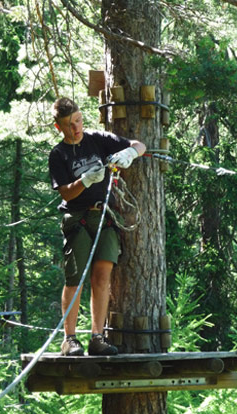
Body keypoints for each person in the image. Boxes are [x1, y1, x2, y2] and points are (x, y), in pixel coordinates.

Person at [48, 97, 146, 356]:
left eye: (78, 120)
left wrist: (130, 152)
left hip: (104, 216)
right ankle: (69, 339)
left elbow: (140, 144)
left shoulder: (97, 139)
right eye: (69, 125)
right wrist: (85, 181)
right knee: (76, 279)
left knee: (102, 277)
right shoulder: (58, 155)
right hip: (77, 219)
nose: (76, 128)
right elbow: (66, 194)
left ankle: (97, 337)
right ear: (59, 127)